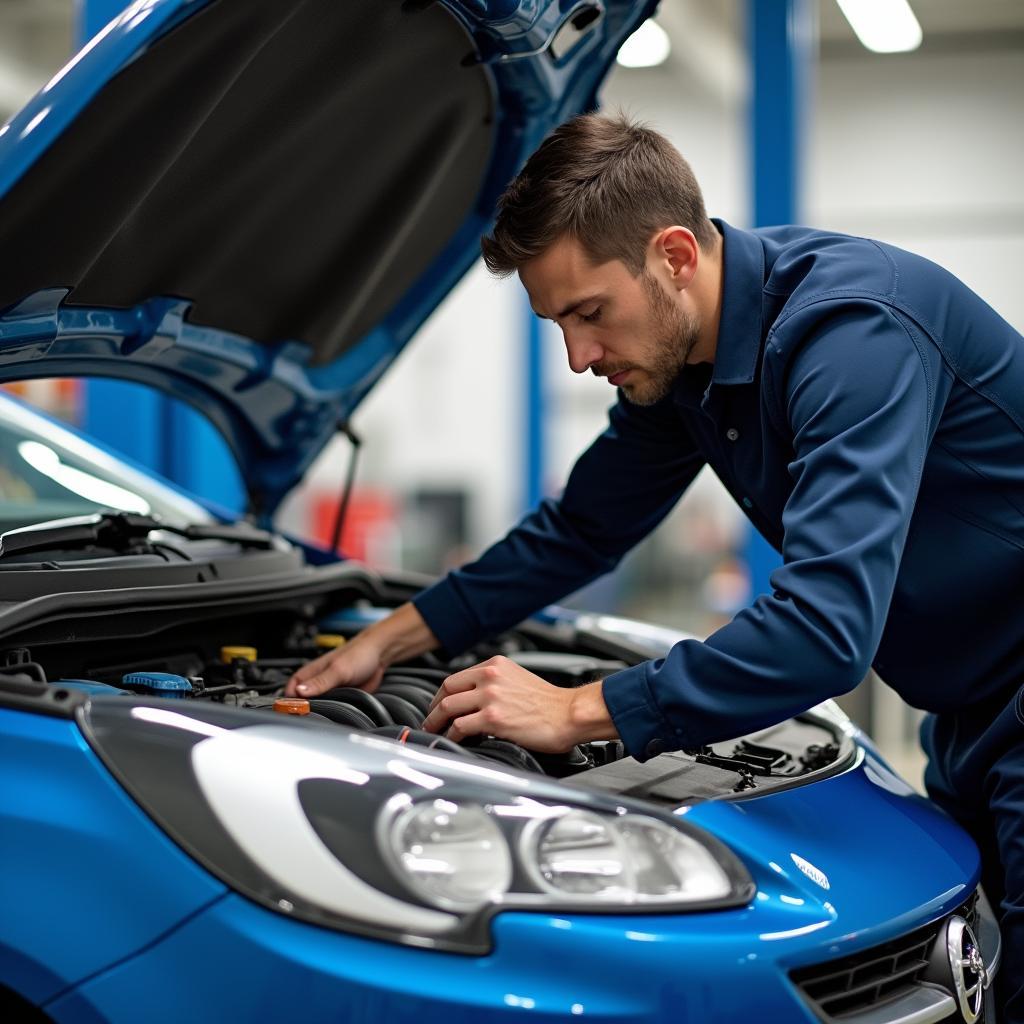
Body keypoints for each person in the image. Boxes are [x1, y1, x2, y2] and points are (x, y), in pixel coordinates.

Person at [286, 113, 1024, 1015]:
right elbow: (580, 530)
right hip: (970, 708)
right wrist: (389, 641)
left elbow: (826, 632)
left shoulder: (852, 334)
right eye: (558, 323)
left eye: (590, 313)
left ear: (674, 255)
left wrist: (580, 709)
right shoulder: (684, 369)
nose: (579, 355)